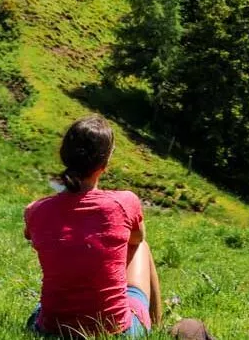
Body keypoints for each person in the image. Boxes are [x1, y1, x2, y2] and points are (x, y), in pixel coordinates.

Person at [24, 115, 162, 337]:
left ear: (64, 156)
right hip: (115, 332)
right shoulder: (125, 202)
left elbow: (32, 238)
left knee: (42, 306)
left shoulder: (35, 210)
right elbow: (137, 238)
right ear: (104, 164)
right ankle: (157, 327)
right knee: (141, 247)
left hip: (51, 330)